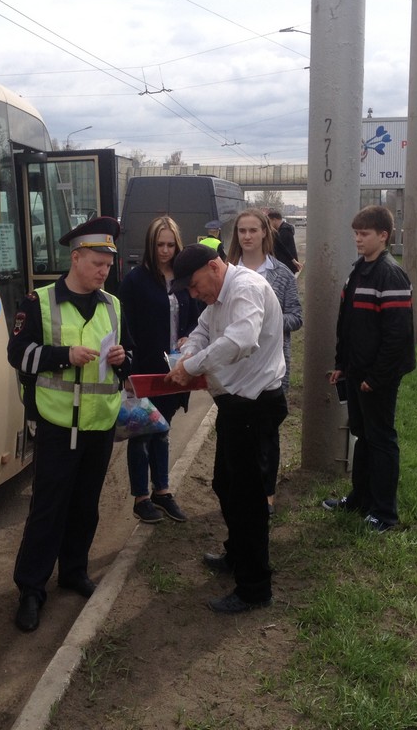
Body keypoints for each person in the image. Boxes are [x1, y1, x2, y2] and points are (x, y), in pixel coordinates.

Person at [7, 216, 129, 632]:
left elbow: (124, 364)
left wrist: (122, 361)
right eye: (97, 262)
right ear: (76, 259)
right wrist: (63, 356)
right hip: (59, 426)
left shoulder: (112, 305)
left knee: (85, 507)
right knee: (47, 509)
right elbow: (17, 355)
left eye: (108, 265)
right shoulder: (38, 302)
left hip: (99, 425)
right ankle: (30, 589)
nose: (104, 271)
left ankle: (74, 571)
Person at [165, 244, 287, 614]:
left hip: (255, 406)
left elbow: (241, 340)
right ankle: (237, 555)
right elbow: (202, 332)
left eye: (194, 284)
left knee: (248, 499)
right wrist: (188, 356)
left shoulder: (245, 288)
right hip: (236, 407)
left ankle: (254, 588)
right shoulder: (218, 297)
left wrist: (193, 366)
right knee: (226, 484)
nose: (193, 293)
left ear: (214, 266)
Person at [321, 205, 415, 532]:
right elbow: (347, 325)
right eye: (356, 234)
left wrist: (375, 378)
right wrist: (342, 366)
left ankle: (385, 513)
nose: (358, 240)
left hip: (378, 378)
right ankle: (360, 499)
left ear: (383, 236)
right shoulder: (359, 270)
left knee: (381, 440)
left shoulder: (390, 274)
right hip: (358, 374)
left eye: (364, 234)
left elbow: (398, 336)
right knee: (362, 437)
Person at [119, 217, 200, 524]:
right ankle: (141, 498)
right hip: (143, 369)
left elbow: (196, 317)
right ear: (150, 246)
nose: (165, 251)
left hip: (175, 368)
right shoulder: (135, 280)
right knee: (141, 432)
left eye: (170, 245)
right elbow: (123, 325)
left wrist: (190, 336)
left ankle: (162, 492)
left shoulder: (183, 279)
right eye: (159, 245)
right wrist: (126, 372)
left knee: (163, 430)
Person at [227, 208, 302, 514]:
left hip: (272, 369)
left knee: (268, 435)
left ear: (264, 234)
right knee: (239, 437)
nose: (247, 236)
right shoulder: (228, 272)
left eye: (252, 231)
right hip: (237, 370)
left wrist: (264, 322)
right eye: (242, 231)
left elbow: (297, 317)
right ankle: (241, 492)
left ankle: (267, 495)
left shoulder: (281, 274)